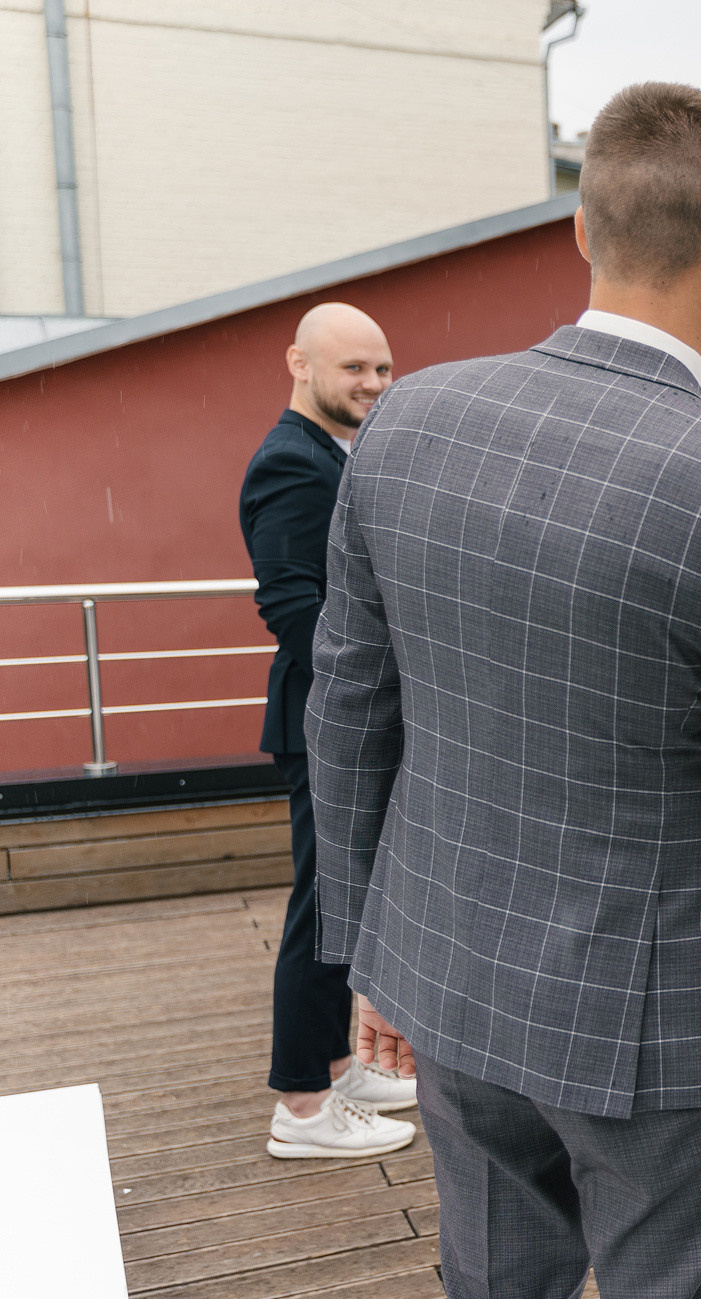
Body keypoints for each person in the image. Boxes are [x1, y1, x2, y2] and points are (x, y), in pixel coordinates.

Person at [307, 84, 701, 1299]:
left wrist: (369, 956)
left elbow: (345, 708)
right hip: (650, 1031)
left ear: (585, 225)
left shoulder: (411, 423)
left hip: (450, 985)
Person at [237, 302, 417, 1162]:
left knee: (342, 903)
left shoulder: (339, 451)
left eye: (382, 369)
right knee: (323, 910)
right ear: (299, 365)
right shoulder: (289, 463)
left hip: (344, 722)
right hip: (328, 726)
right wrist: (381, 693)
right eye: (355, 369)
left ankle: (338, 1067)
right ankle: (303, 1109)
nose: (374, 385)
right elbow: (295, 612)